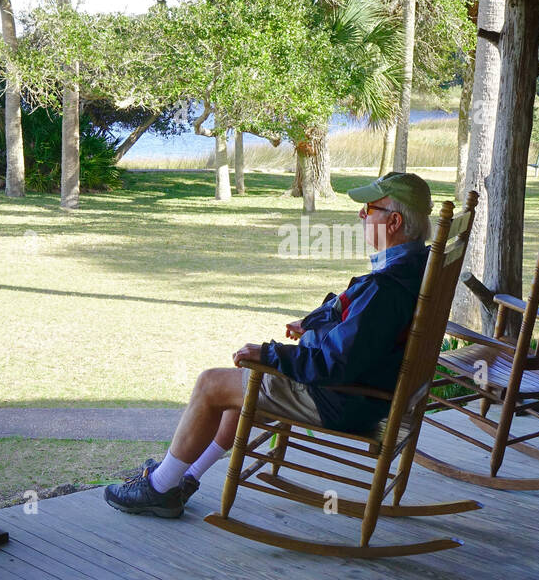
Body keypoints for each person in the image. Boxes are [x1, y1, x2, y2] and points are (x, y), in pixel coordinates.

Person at [105, 171, 435, 518]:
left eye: (370, 208)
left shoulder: (386, 288)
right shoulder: (416, 267)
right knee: (238, 388)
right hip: (362, 392)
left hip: (338, 397)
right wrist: (313, 323)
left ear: (394, 221)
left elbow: (335, 362)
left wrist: (271, 354)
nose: (361, 215)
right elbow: (355, 322)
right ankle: (182, 477)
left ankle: (158, 489)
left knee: (211, 384)